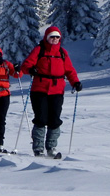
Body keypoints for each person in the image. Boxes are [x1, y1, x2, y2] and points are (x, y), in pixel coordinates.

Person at [20, 26, 82, 157]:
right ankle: (38, 148)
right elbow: (26, 65)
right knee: (41, 119)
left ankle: (51, 147)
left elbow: (69, 70)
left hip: (57, 90)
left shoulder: (62, 53)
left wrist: (75, 82)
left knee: (54, 119)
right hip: (39, 89)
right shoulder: (39, 50)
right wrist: (31, 70)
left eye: (57, 37)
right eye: (52, 37)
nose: (54, 39)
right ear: (47, 37)